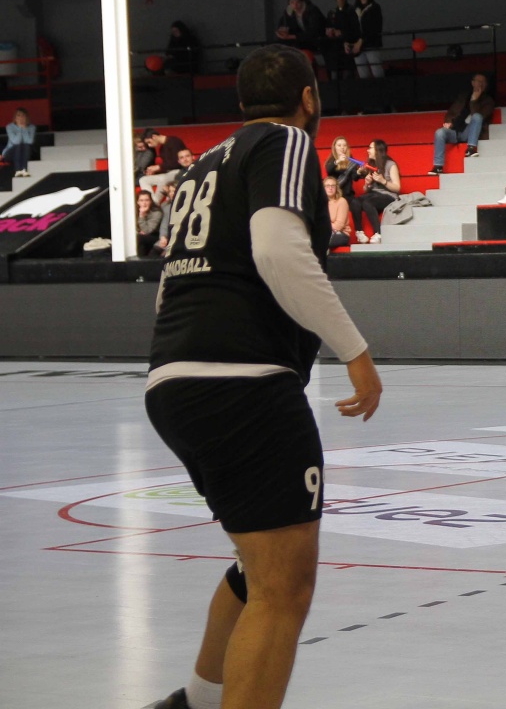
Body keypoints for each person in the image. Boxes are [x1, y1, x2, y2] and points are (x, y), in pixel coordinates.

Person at [142, 44, 381, 709]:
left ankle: (193, 701)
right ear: (308, 98)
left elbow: (168, 284)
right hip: (243, 381)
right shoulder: (286, 142)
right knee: (285, 589)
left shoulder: (205, 164)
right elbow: (277, 250)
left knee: (258, 567)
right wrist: (355, 351)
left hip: (174, 379)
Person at [430, 73, 495, 173]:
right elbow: (450, 113)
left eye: (483, 82)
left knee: (477, 116)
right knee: (439, 132)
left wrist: (474, 101)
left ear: (486, 85)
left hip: (470, 132)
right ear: (472, 83)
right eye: (478, 81)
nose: (480, 84)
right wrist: (448, 122)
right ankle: (438, 166)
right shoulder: (463, 96)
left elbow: (479, 116)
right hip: (455, 130)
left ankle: (471, 148)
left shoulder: (488, 101)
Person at [353, 139, 400, 243]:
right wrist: (367, 183)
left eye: (370, 148)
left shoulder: (391, 164)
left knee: (367, 203)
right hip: (373, 194)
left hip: (389, 195)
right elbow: (365, 189)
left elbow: (397, 187)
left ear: (377, 150)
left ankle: (378, 233)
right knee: (354, 202)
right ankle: (359, 232)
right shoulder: (371, 165)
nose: (367, 150)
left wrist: (383, 181)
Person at [140, 129, 191, 202]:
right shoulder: (162, 149)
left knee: (164, 179)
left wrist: (158, 167)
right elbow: (167, 166)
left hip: (180, 171)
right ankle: (152, 201)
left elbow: (178, 163)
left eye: (149, 142)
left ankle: (155, 203)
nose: (149, 145)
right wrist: (155, 171)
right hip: (168, 173)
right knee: (143, 180)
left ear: (154, 137)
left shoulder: (174, 141)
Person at [350, 0, 384, 79]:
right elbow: (352, 27)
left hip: (371, 44)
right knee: (363, 73)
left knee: (377, 71)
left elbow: (375, 27)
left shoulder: (375, 8)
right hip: (357, 46)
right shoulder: (354, 9)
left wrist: (361, 40)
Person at [322, 0, 356, 80]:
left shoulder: (351, 11)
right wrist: (329, 32)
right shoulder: (332, 12)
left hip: (348, 47)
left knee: (348, 76)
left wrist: (341, 32)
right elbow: (328, 27)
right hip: (335, 48)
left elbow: (354, 29)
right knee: (335, 76)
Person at [324, 176, 355, 250]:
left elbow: (339, 226)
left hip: (341, 234)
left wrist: (323, 225)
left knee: (321, 241)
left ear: (336, 188)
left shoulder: (341, 201)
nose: (330, 188)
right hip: (325, 232)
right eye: (327, 186)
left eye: (333, 186)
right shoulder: (320, 203)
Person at [3, 107, 35, 177]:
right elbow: (15, 142)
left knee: (26, 145)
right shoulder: (10, 127)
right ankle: (18, 170)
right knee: (18, 146)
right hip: (10, 152)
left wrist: (24, 128)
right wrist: (20, 128)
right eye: (18, 115)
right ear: (15, 118)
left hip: (25, 151)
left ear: (26, 117)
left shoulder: (31, 127)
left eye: (23, 115)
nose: (21, 118)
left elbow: (29, 141)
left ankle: (24, 169)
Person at [136, 190, 163, 258]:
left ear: (151, 201)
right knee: (140, 240)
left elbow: (147, 231)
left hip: (155, 237)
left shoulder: (156, 212)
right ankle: (141, 261)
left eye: (147, 200)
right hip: (143, 236)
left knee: (140, 238)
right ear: (138, 202)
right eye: (141, 200)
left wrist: (142, 215)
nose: (144, 203)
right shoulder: (134, 211)